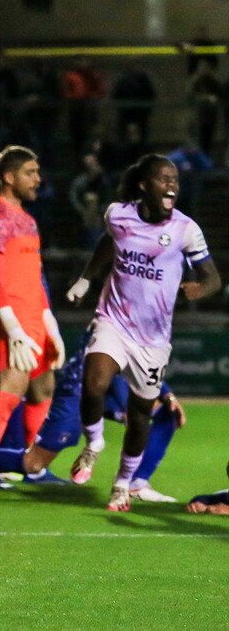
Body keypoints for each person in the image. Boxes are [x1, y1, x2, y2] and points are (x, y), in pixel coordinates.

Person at [65, 153, 221, 511]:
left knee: (140, 415)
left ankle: (122, 483)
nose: (171, 185)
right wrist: (86, 279)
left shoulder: (185, 229)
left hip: (152, 339)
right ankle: (93, 444)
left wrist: (202, 288)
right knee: (94, 383)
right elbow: (109, 242)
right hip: (114, 319)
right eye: (164, 179)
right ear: (143, 185)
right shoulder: (118, 214)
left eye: (175, 180)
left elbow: (213, 276)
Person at [0, 325, 186, 501]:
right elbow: (116, 361)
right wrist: (128, 408)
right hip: (81, 391)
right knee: (33, 462)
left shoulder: (147, 312)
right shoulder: (118, 310)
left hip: (112, 388)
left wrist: (168, 395)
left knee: (169, 413)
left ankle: (137, 484)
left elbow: (143, 361)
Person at [0, 146, 65, 472]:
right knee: (10, 391)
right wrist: (12, 328)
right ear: (9, 178)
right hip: (16, 321)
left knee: (42, 391)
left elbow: (35, 276)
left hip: (34, 317)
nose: (37, 179)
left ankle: (34, 469)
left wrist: (49, 320)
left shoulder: (26, 219)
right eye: (30, 172)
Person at [68, 153, 113, 250]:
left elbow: (108, 199)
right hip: (83, 214)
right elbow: (73, 198)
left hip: (100, 214)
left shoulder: (104, 182)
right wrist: (82, 210)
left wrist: (99, 210)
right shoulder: (79, 182)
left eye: (94, 164)